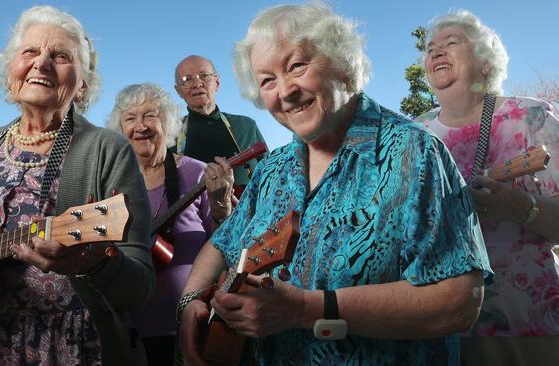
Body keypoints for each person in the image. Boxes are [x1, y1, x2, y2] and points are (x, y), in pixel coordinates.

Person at [176, 4, 493, 365]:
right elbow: (221, 244)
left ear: (340, 61)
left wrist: (304, 309)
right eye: (267, 80)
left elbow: (460, 301)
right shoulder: (272, 169)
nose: (286, 91)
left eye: (297, 66)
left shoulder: (415, 152)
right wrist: (190, 303)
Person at [0, 6, 153, 365]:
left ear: (82, 84)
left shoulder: (107, 149)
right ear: (11, 71)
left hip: (61, 351)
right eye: (30, 52)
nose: (42, 64)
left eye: (60, 56)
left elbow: (140, 287)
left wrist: (93, 263)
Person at [416, 10, 559, 366]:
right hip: (432, 327)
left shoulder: (531, 117)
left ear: (485, 62)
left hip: (526, 325)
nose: (435, 52)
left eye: (452, 43)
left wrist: (521, 208)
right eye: (430, 48)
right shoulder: (413, 134)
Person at [106, 83, 234, 365]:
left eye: (150, 116)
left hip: (189, 325)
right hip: (127, 330)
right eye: (130, 118)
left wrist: (221, 207)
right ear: (120, 128)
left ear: (168, 122)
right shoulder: (110, 183)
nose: (141, 126)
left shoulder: (198, 173)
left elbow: (227, 246)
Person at [173, 54, 266, 190]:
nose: (197, 84)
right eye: (186, 80)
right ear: (178, 91)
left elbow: (271, 176)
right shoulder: (169, 134)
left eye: (204, 76)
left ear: (217, 83)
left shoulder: (246, 126)